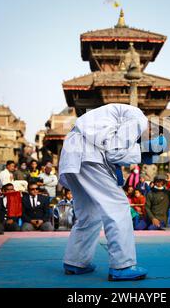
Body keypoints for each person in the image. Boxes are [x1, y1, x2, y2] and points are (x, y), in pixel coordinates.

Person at [58, 103, 150, 281]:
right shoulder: (139, 118)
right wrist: (142, 153)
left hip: (73, 155)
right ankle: (122, 265)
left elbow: (111, 149)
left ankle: (76, 261)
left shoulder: (113, 114)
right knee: (118, 208)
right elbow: (115, 153)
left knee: (89, 213)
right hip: (89, 155)